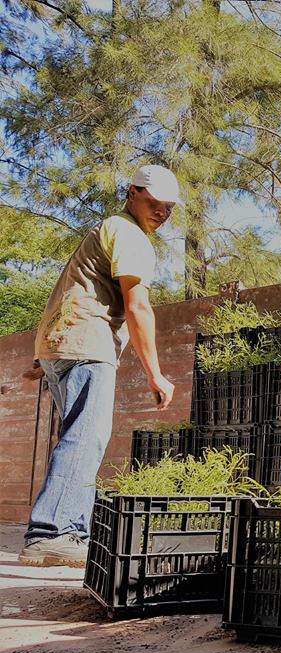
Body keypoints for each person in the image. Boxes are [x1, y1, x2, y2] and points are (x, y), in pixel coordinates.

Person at [17, 165, 181, 567]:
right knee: (85, 439)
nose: (162, 212)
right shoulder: (128, 234)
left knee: (79, 437)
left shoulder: (105, 230)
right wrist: (155, 373)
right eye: (154, 202)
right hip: (86, 344)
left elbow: (72, 287)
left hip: (64, 344)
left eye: (169, 207)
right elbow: (138, 305)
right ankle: (52, 533)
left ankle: (69, 532)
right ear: (132, 193)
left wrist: (48, 354)